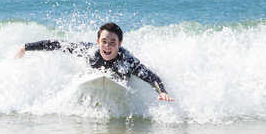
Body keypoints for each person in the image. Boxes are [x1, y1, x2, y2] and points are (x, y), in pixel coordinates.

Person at [15, 22, 174, 101]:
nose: (107, 46)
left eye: (113, 43)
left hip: (120, 81)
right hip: (97, 75)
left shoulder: (127, 61)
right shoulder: (89, 51)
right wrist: (26, 47)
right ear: (97, 41)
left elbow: (152, 77)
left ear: (119, 44)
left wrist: (162, 91)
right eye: (104, 41)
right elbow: (57, 44)